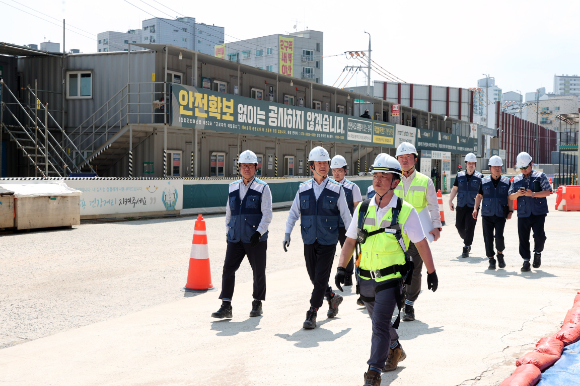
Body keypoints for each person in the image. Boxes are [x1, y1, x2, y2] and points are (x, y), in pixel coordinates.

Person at [334, 154, 438, 385]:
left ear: (395, 182)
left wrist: (431, 271)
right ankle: (395, 347)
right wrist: (342, 267)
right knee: (379, 323)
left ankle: (373, 371)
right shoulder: (362, 209)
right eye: (376, 176)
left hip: (391, 279)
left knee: (380, 324)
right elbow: (350, 241)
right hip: (365, 278)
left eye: (384, 176)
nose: (378, 180)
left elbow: (421, 243)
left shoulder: (405, 211)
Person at [283, 146, 353, 329]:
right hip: (308, 239)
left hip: (328, 240)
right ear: (311, 166)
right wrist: (287, 233)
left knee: (320, 277)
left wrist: (353, 238)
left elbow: (346, 216)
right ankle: (332, 297)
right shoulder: (303, 188)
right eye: (319, 163)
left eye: (325, 163)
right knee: (314, 277)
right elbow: (293, 213)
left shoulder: (337, 189)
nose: (323, 166)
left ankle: (312, 312)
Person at [211, 150, 273, 319]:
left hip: (255, 239)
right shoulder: (232, 187)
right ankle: (226, 304)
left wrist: (259, 233)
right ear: (239, 168)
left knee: (258, 271)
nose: (246, 169)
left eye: (250, 166)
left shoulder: (263, 188)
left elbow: (267, 214)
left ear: (256, 167)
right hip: (235, 237)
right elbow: (228, 213)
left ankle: (257, 302)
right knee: (228, 269)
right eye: (243, 166)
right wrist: (228, 232)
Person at [394, 142, 441, 322]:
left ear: (415, 159)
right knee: (396, 268)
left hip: (417, 233)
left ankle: (410, 304)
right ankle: (398, 297)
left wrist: (436, 226)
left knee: (415, 269)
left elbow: (433, 205)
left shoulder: (425, 181)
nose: (404, 161)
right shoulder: (393, 179)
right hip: (396, 233)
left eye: (408, 157)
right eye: (401, 157)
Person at [507, 152, 552, 272]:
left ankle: (537, 253)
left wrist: (532, 194)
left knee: (539, 236)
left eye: (525, 167)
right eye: (521, 168)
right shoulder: (516, 179)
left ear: (531, 164)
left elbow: (548, 191)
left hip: (538, 212)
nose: (523, 170)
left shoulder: (540, 176)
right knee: (523, 238)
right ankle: (526, 260)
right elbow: (510, 197)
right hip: (523, 213)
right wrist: (517, 194)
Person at [472, 156, 513, 270]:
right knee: (488, 237)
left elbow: (510, 197)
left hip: (500, 214)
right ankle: (491, 259)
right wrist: (475, 208)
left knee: (499, 236)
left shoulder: (506, 181)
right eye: (494, 166)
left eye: (499, 166)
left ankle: (500, 255)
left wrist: (510, 210)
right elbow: (479, 196)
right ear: (490, 168)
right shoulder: (483, 181)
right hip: (487, 214)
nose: (497, 168)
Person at [330, 155, 362, 287]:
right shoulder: (329, 186)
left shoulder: (352, 187)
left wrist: (357, 226)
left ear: (345, 171)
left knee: (347, 249)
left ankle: (348, 276)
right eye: (334, 171)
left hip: (346, 226)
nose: (336, 174)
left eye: (339, 171)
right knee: (329, 251)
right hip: (331, 225)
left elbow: (358, 207)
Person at [448, 153, 483, 258]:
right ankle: (466, 239)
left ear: (475, 164)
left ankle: (466, 246)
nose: (471, 165)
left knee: (470, 226)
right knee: (458, 225)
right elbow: (455, 189)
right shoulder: (459, 176)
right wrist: (450, 201)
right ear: (465, 164)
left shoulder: (480, 177)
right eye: (469, 163)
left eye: (473, 163)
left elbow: (482, 193)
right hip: (461, 205)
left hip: (473, 207)